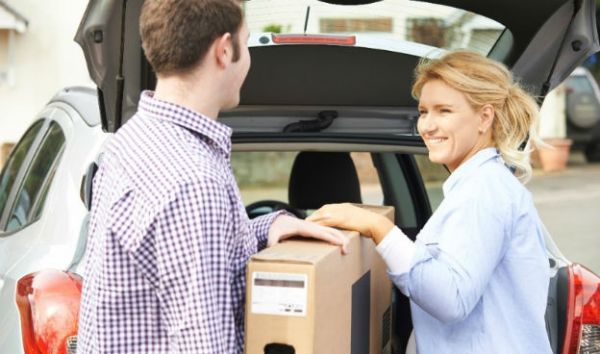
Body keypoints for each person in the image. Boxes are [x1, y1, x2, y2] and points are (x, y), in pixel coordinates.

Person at [77, 1, 347, 353]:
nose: (248, 58)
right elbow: (204, 346)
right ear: (224, 50)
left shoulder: (130, 142)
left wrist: (266, 228)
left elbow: (167, 254)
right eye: (246, 43)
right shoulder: (195, 180)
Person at [308, 51, 553, 353]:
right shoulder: (479, 186)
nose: (427, 126)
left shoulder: (484, 191)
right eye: (424, 112)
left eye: (444, 111)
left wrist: (377, 227)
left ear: (484, 117)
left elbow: (450, 300)